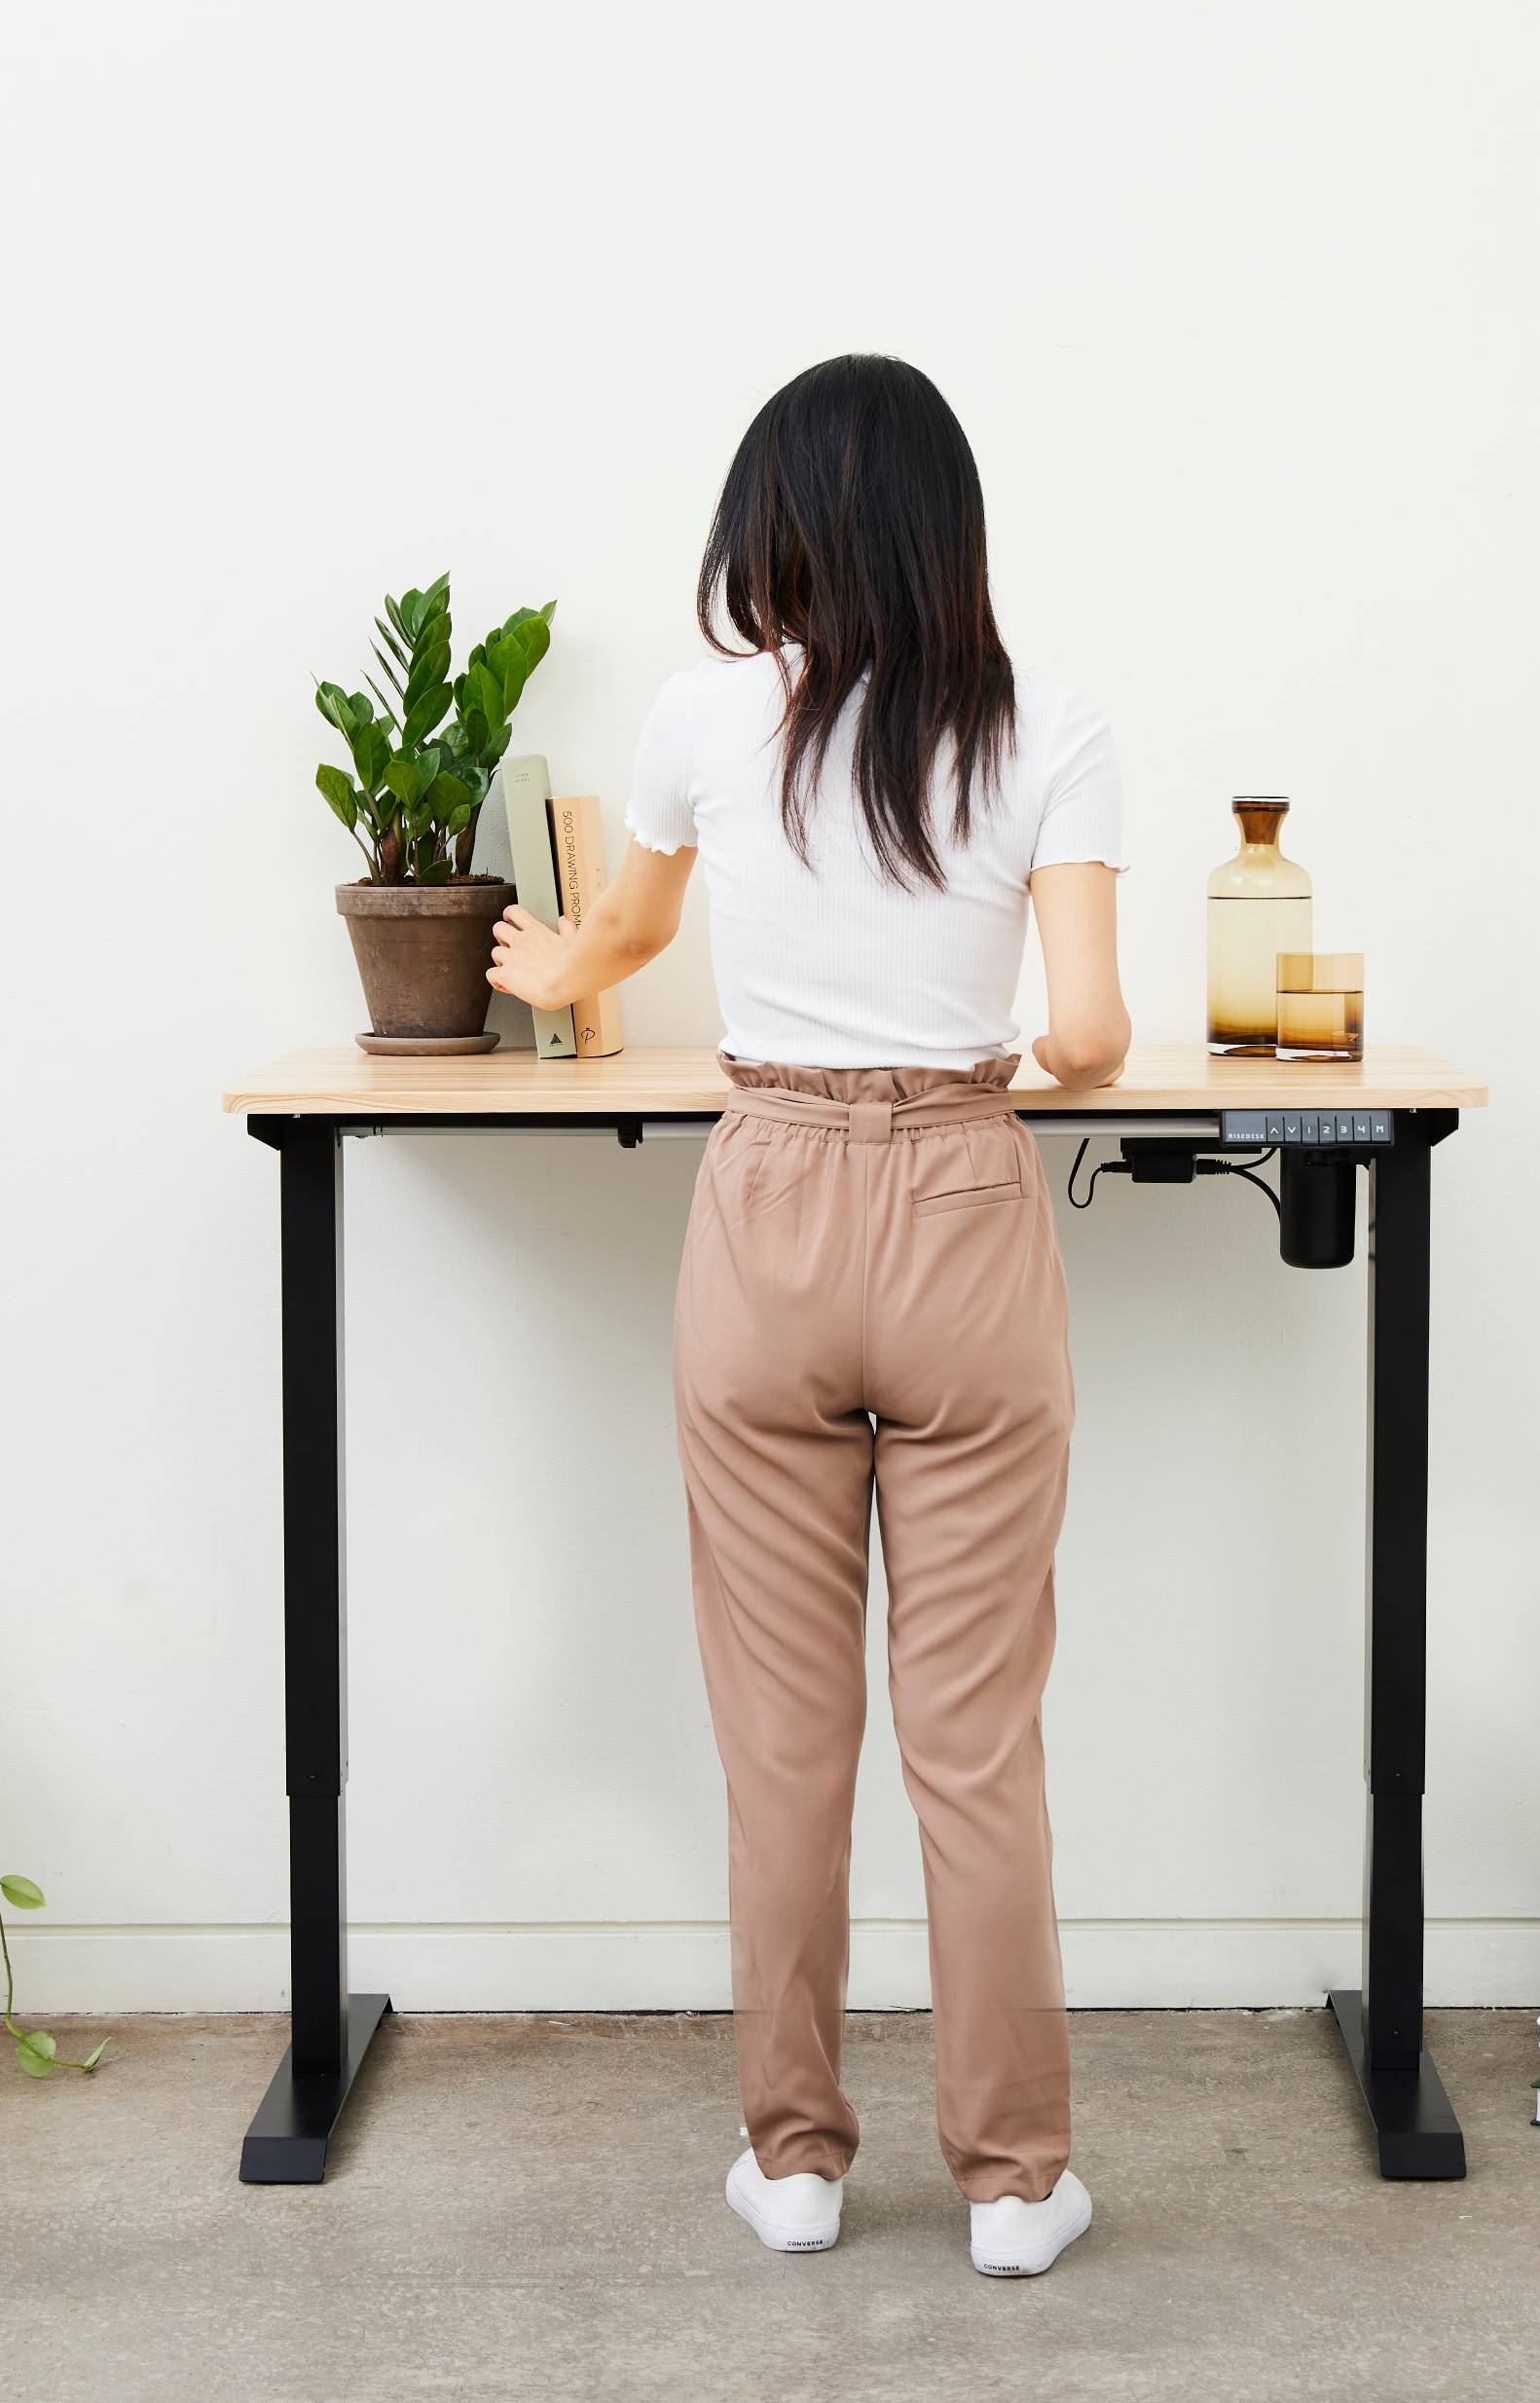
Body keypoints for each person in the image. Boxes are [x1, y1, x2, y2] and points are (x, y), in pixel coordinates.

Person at [488, 354, 1129, 2278]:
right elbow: (1088, 1036)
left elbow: (619, 941)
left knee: (784, 1743)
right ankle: (1013, 2181)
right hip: (956, 1202)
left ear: (772, 522)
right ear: (949, 528)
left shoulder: (695, 719)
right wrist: (1005, 1059)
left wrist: (549, 953)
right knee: (974, 1742)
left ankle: (792, 2163)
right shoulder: (1047, 726)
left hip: (761, 1206)